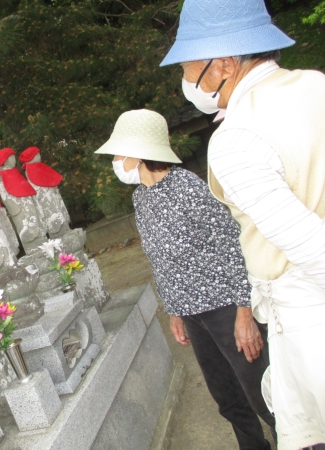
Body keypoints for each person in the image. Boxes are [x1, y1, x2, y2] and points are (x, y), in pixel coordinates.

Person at [160, 1, 325, 448]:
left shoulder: (236, 138)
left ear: (224, 64)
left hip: (308, 310)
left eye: (188, 68)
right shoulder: (314, 84)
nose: (186, 81)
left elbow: (309, 245)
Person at [95, 109, 275, 450]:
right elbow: (160, 261)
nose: (115, 162)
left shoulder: (188, 188)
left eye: (117, 154)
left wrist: (245, 313)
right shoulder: (141, 198)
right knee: (228, 399)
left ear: (137, 152)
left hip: (226, 309)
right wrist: (174, 310)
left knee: (263, 394)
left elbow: (233, 247)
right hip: (192, 315)